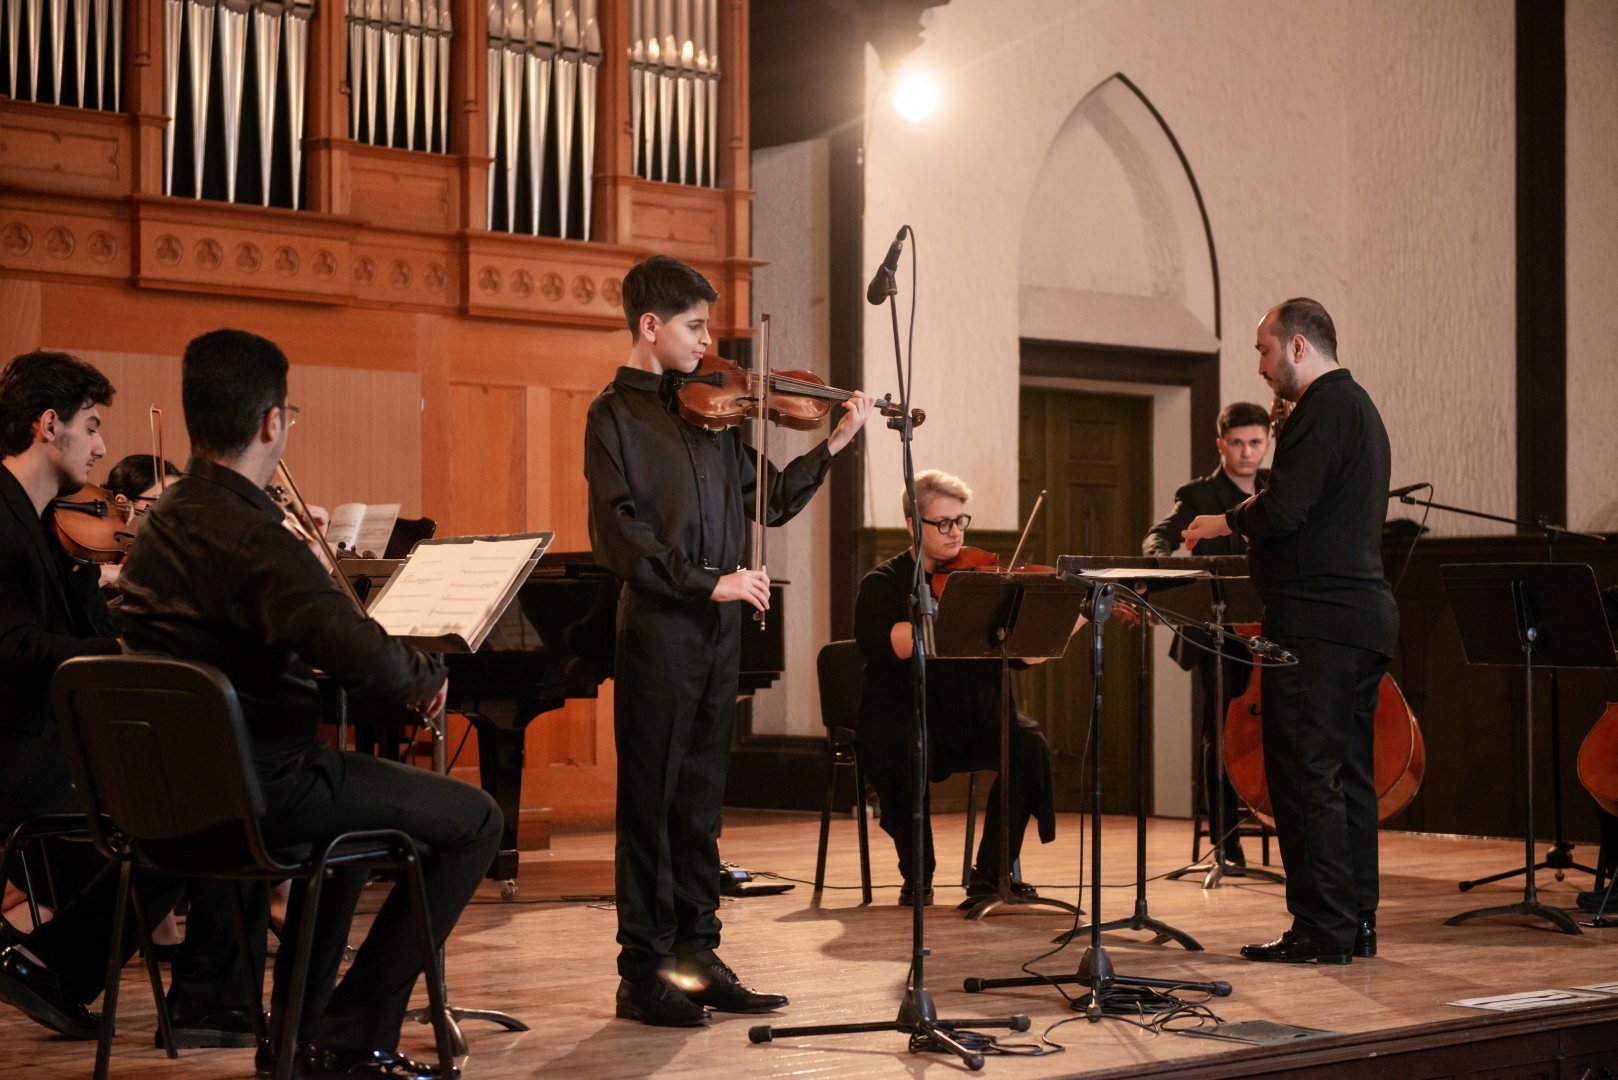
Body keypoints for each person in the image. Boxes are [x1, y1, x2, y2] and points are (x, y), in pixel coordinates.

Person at [115, 329, 502, 1079]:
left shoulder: (163, 521)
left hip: (169, 795)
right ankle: (352, 1034)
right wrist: (425, 678)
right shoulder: (254, 536)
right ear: (272, 422)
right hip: (262, 790)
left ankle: (299, 1041)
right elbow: (359, 653)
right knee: (476, 819)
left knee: (354, 830)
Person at [585, 255, 873, 1027]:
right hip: (659, 628)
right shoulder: (612, 417)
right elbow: (618, 534)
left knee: (700, 804)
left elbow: (770, 501)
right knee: (650, 807)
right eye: (694, 326)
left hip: (718, 635)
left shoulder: (709, 415)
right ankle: (643, 974)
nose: (707, 340)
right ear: (651, 326)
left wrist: (836, 441)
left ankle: (697, 959)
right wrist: (706, 582)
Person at [0, 352, 256, 1049]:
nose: (101, 446)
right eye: (91, 426)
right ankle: (205, 999)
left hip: (55, 737)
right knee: (209, 802)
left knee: (216, 791)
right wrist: (117, 654)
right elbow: (13, 647)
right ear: (48, 425)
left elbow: (91, 630)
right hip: (19, 749)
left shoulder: (54, 522)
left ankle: (60, 968)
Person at [1183, 298, 1398, 964]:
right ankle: (1355, 922)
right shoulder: (1356, 407)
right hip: (1356, 618)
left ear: (1298, 347)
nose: (1261, 365)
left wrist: (1225, 521)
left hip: (1318, 621)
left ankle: (1321, 929)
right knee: (1347, 776)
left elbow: (1286, 509)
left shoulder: (1324, 408)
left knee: (1304, 777)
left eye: (1264, 350)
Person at [854, 470, 1058, 908]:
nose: (955, 532)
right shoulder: (882, 583)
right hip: (906, 711)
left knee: (1028, 746)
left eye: (960, 520)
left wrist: (1073, 616)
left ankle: (992, 876)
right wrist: (956, 614)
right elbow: (889, 642)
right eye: (943, 522)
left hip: (974, 712)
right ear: (913, 524)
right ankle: (918, 873)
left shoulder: (982, 581)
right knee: (901, 747)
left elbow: (1027, 656)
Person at [1142, 401, 1271, 866]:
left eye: (1255, 442)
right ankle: (1225, 838)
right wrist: (1161, 563)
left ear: (1267, 443)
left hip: (1268, 629)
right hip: (1217, 631)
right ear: (1221, 445)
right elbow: (1160, 535)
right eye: (1237, 443)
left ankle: (1277, 817)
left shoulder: (1275, 488)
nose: (1246, 452)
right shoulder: (1199, 494)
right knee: (1220, 729)